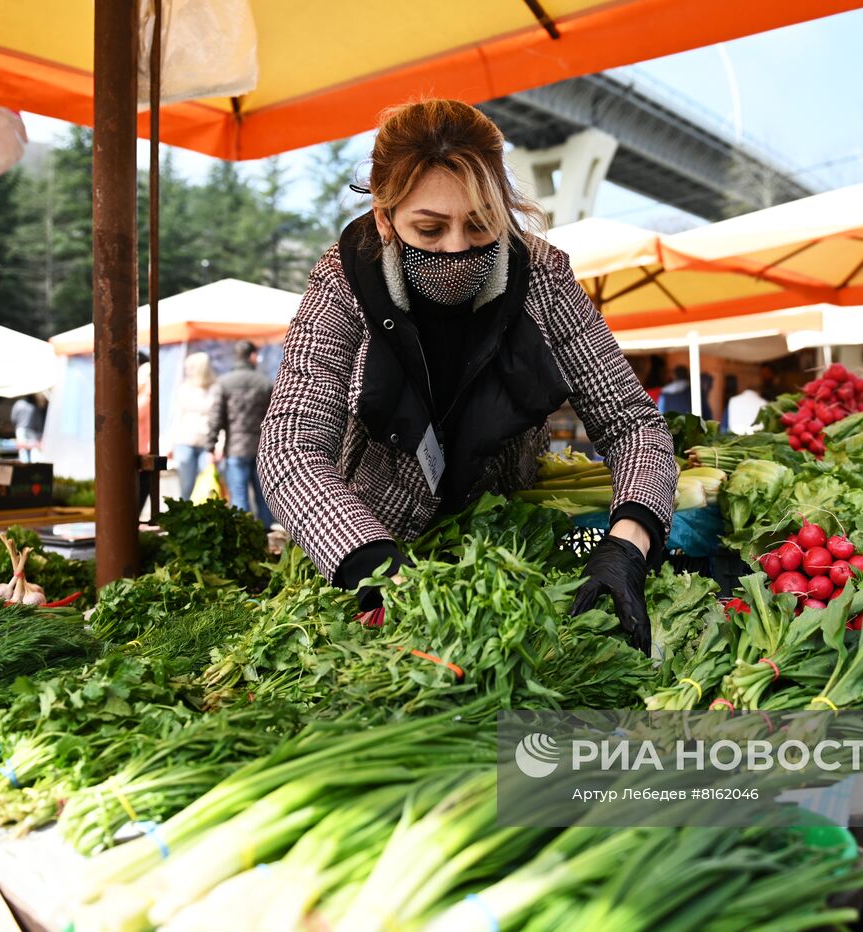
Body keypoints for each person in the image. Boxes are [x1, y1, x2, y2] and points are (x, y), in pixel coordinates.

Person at [259, 100, 676, 652]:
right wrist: (374, 567)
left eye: (480, 224)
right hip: (370, 549)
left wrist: (628, 541)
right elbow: (290, 446)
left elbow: (633, 424)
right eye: (429, 229)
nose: (456, 248)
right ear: (385, 218)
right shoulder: (344, 280)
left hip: (507, 551)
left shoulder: (543, 278)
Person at [210, 340, 274, 526]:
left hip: (235, 448)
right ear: (252, 356)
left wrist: (210, 445)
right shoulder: (265, 383)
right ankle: (265, 533)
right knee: (264, 497)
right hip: (261, 448)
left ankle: (244, 534)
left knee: (239, 495)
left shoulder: (224, 383)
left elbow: (216, 417)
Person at [169, 352, 218, 500]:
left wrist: (219, 446)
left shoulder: (215, 389)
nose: (186, 371)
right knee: (186, 487)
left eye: (190, 367)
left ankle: (206, 519)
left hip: (208, 444)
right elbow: (176, 417)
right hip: (185, 442)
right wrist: (170, 444)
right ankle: (185, 519)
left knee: (207, 484)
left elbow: (218, 418)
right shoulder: (184, 389)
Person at [11, 394, 47, 462]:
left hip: (21, 429)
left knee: (24, 450)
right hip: (31, 429)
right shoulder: (33, 406)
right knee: (32, 448)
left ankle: (25, 465)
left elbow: (13, 418)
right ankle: (31, 466)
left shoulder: (19, 404)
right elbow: (37, 420)